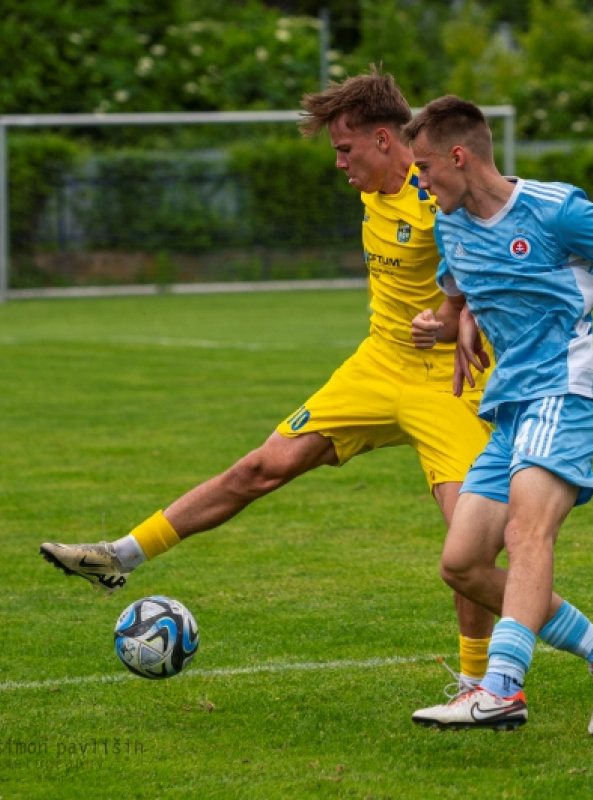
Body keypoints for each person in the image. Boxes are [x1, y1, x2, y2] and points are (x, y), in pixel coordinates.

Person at [39, 69, 497, 693]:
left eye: (345, 149)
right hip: (375, 367)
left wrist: (457, 320)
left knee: (466, 549)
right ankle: (117, 557)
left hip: (450, 383)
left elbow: (490, 262)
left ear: (386, 140)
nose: (338, 164)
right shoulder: (376, 186)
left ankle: (482, 687)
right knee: (260, 467)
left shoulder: (439, 196)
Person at [404, 95, 593, 735]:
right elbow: (458, 306)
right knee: (462, 562)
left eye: (424, 168)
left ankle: (502, 690)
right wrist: (444, 326)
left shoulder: (556, 209)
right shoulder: (446, 225)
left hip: (567, 393)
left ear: (458, 156)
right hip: (508, 407)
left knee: (526, 536)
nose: (419, 182)